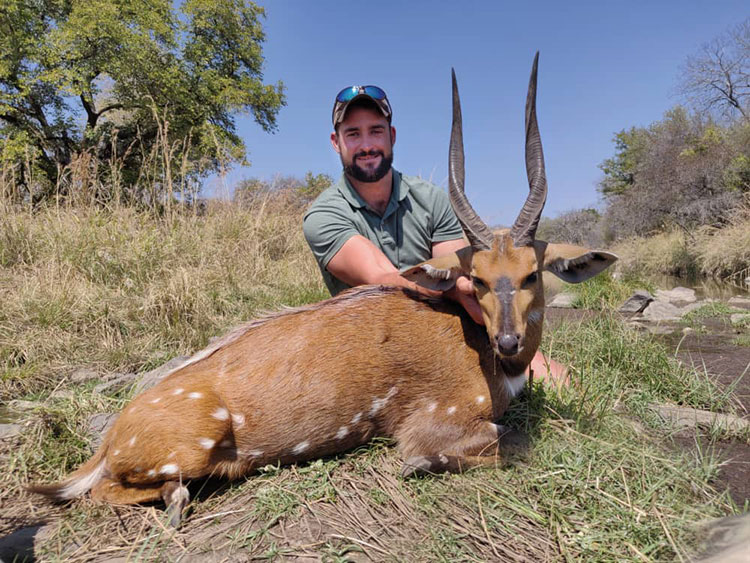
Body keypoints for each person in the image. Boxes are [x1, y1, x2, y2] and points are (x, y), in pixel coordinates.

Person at [303, 85, 566, 384]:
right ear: (336, 142)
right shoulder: (323, 215)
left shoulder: (431, 199)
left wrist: (473, 287)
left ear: (392, 136)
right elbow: (381, 278)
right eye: (353, 134)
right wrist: (454, 290)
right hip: (369, 341)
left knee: (560, 381)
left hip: (447, 327)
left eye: (376, 131)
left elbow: (458, 267)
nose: (366, 145)